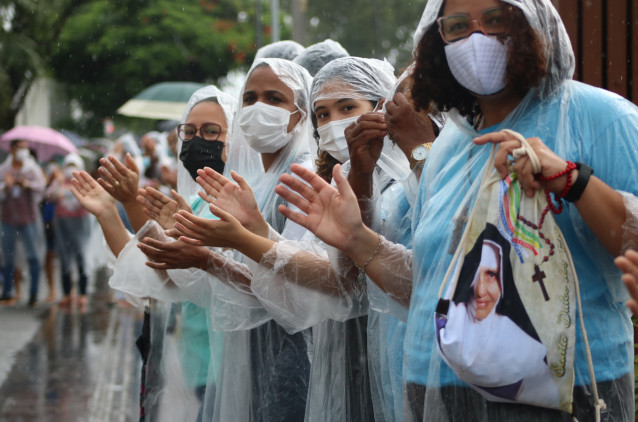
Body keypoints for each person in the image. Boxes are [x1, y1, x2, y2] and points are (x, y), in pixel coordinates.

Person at [274, 0, 638, 420]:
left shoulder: (600, 118)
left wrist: (573, 181)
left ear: (536, 27)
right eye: (458, 26)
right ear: (436, 42)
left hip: (558, 391)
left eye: (496, 19)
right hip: (438, 387)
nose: (476, 38)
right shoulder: (450, 145)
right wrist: (359, 241)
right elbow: (436, 286)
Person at [0, 139, 46, 306]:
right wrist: (6, 185)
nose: (24, 152)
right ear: (12, 150)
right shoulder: (4, 169)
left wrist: (26, 184)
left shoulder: (32, 169)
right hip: (7, 219)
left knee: (33, 256)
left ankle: (33, 293)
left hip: (28, 220)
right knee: (7, 256)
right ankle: (7, 291)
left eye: (26, 149)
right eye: (21, 148)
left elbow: (42, 188)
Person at [48, 153, 92, 309]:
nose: (70, 170)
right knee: (64, 258)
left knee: (82, 257)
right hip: (63, 226)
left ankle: (82, 294)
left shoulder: (84, 183)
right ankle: (67, 293)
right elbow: (49, 196)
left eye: (74, 166)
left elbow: (90, 202)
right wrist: (57, 182)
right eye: (68, 166)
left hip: (80, 226)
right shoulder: (60, 182)